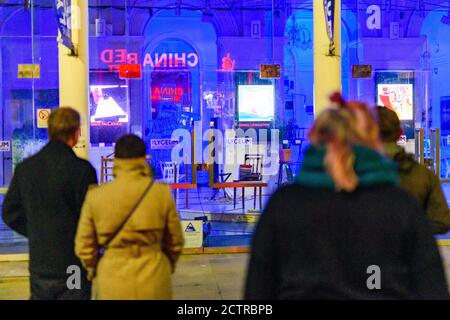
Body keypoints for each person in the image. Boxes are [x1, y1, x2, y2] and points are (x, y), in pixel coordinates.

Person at [245, 107, 449, 299]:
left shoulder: (284, 205)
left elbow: (258, 290)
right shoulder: (400, 205)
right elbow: (431, 287)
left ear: (315, 140)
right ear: (369, 143)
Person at [2, 107, 98, 300]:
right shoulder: (82, 171)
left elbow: (9, 211)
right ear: (76, 132)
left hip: (41, 262)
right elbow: (92, 217)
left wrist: (35, 231)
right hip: (73, 263)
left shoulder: (26, 169)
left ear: (49, 131)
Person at [75, 134, 184, 300]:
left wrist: (94, 269)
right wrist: (166, 265)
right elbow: (175, 240)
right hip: (154, 278)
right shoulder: (161, 193)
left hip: (112, 279)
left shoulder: (96, 196)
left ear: (116, 160)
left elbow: (84, 245)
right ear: (143, 158)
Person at [376, 106, 450, 234]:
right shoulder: (423, 175)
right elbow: (442, 221)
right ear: (400, 133)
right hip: (410, 251)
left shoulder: (349, 174)